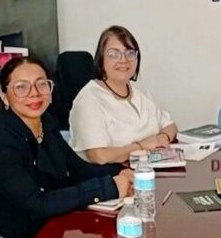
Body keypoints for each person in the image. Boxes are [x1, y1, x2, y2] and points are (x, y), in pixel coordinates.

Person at [0, 56, 133, 238]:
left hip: (51, 234)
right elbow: (37, 203)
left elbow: (78, 169)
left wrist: (121, 172)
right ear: (4, 96)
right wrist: (109, 187)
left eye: (41, 84)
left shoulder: (45, 124)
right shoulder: (0, 146)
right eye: (21, 87)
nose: (34, 93)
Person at [69, 25, 177, 163]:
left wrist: (162, 138)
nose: (124, 60)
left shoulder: (140, 90)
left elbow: (170, 125)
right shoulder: (88, 100)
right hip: (111, 174)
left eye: (130, 53)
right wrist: (142, 146)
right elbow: (98, 156)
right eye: (114, 54)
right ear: (101, 59)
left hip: (149, 167)